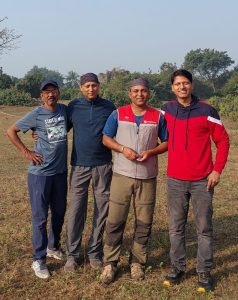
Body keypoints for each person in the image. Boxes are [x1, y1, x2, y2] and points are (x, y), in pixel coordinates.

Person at [161, 69, 230, 292]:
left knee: (204, 228)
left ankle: (204, 272)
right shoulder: (166, 110)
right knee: (176, 227)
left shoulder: (207, 110)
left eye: (186, 83)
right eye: (178, 84)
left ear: (192, 85)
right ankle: (177, 268)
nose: (182, 87)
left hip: (202, 180)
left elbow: (223, 141)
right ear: (172, 87)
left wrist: (217, 170)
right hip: (175, 180)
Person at [99, 78, 168, 284]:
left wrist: (152, 151)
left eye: (144, 91)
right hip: (122, 174)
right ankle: (110, 263)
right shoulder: (118, 114)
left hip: (147, 176)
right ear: (129, 93)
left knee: (144, 222)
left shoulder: (158, 116)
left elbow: (167, 142)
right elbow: (105, 138)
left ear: (149, 93)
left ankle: (137, 261)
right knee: (115, 221)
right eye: (136, 91)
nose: (140, 94)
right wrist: (122, 149)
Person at [6, 80, 68, 279]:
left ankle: (53, 246)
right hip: (40, 174)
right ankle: (39, 260)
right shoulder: (36, 114)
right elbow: (11, 131)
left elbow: (63, 130)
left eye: (53, 91)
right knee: (40, 218)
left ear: (58, 93)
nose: (51, 95)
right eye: (46, 92)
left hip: (60, 172)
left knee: (59, 212)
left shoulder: (64, 111)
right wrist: (27, 151)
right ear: (41, 96)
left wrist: (40, 135)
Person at [64, 73, 116, 272]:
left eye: (94, 85)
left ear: (99, 86)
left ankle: (94, 253)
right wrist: (37, 133)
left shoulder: (109, 107)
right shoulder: (73, 107)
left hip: (103, 165)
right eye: (87, 86)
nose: (91, 89)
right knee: (76, 210)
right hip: (79, 166)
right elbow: (61, 129)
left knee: (102, 210)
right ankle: (73, 255)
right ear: (80, 88)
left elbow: (117, 131)